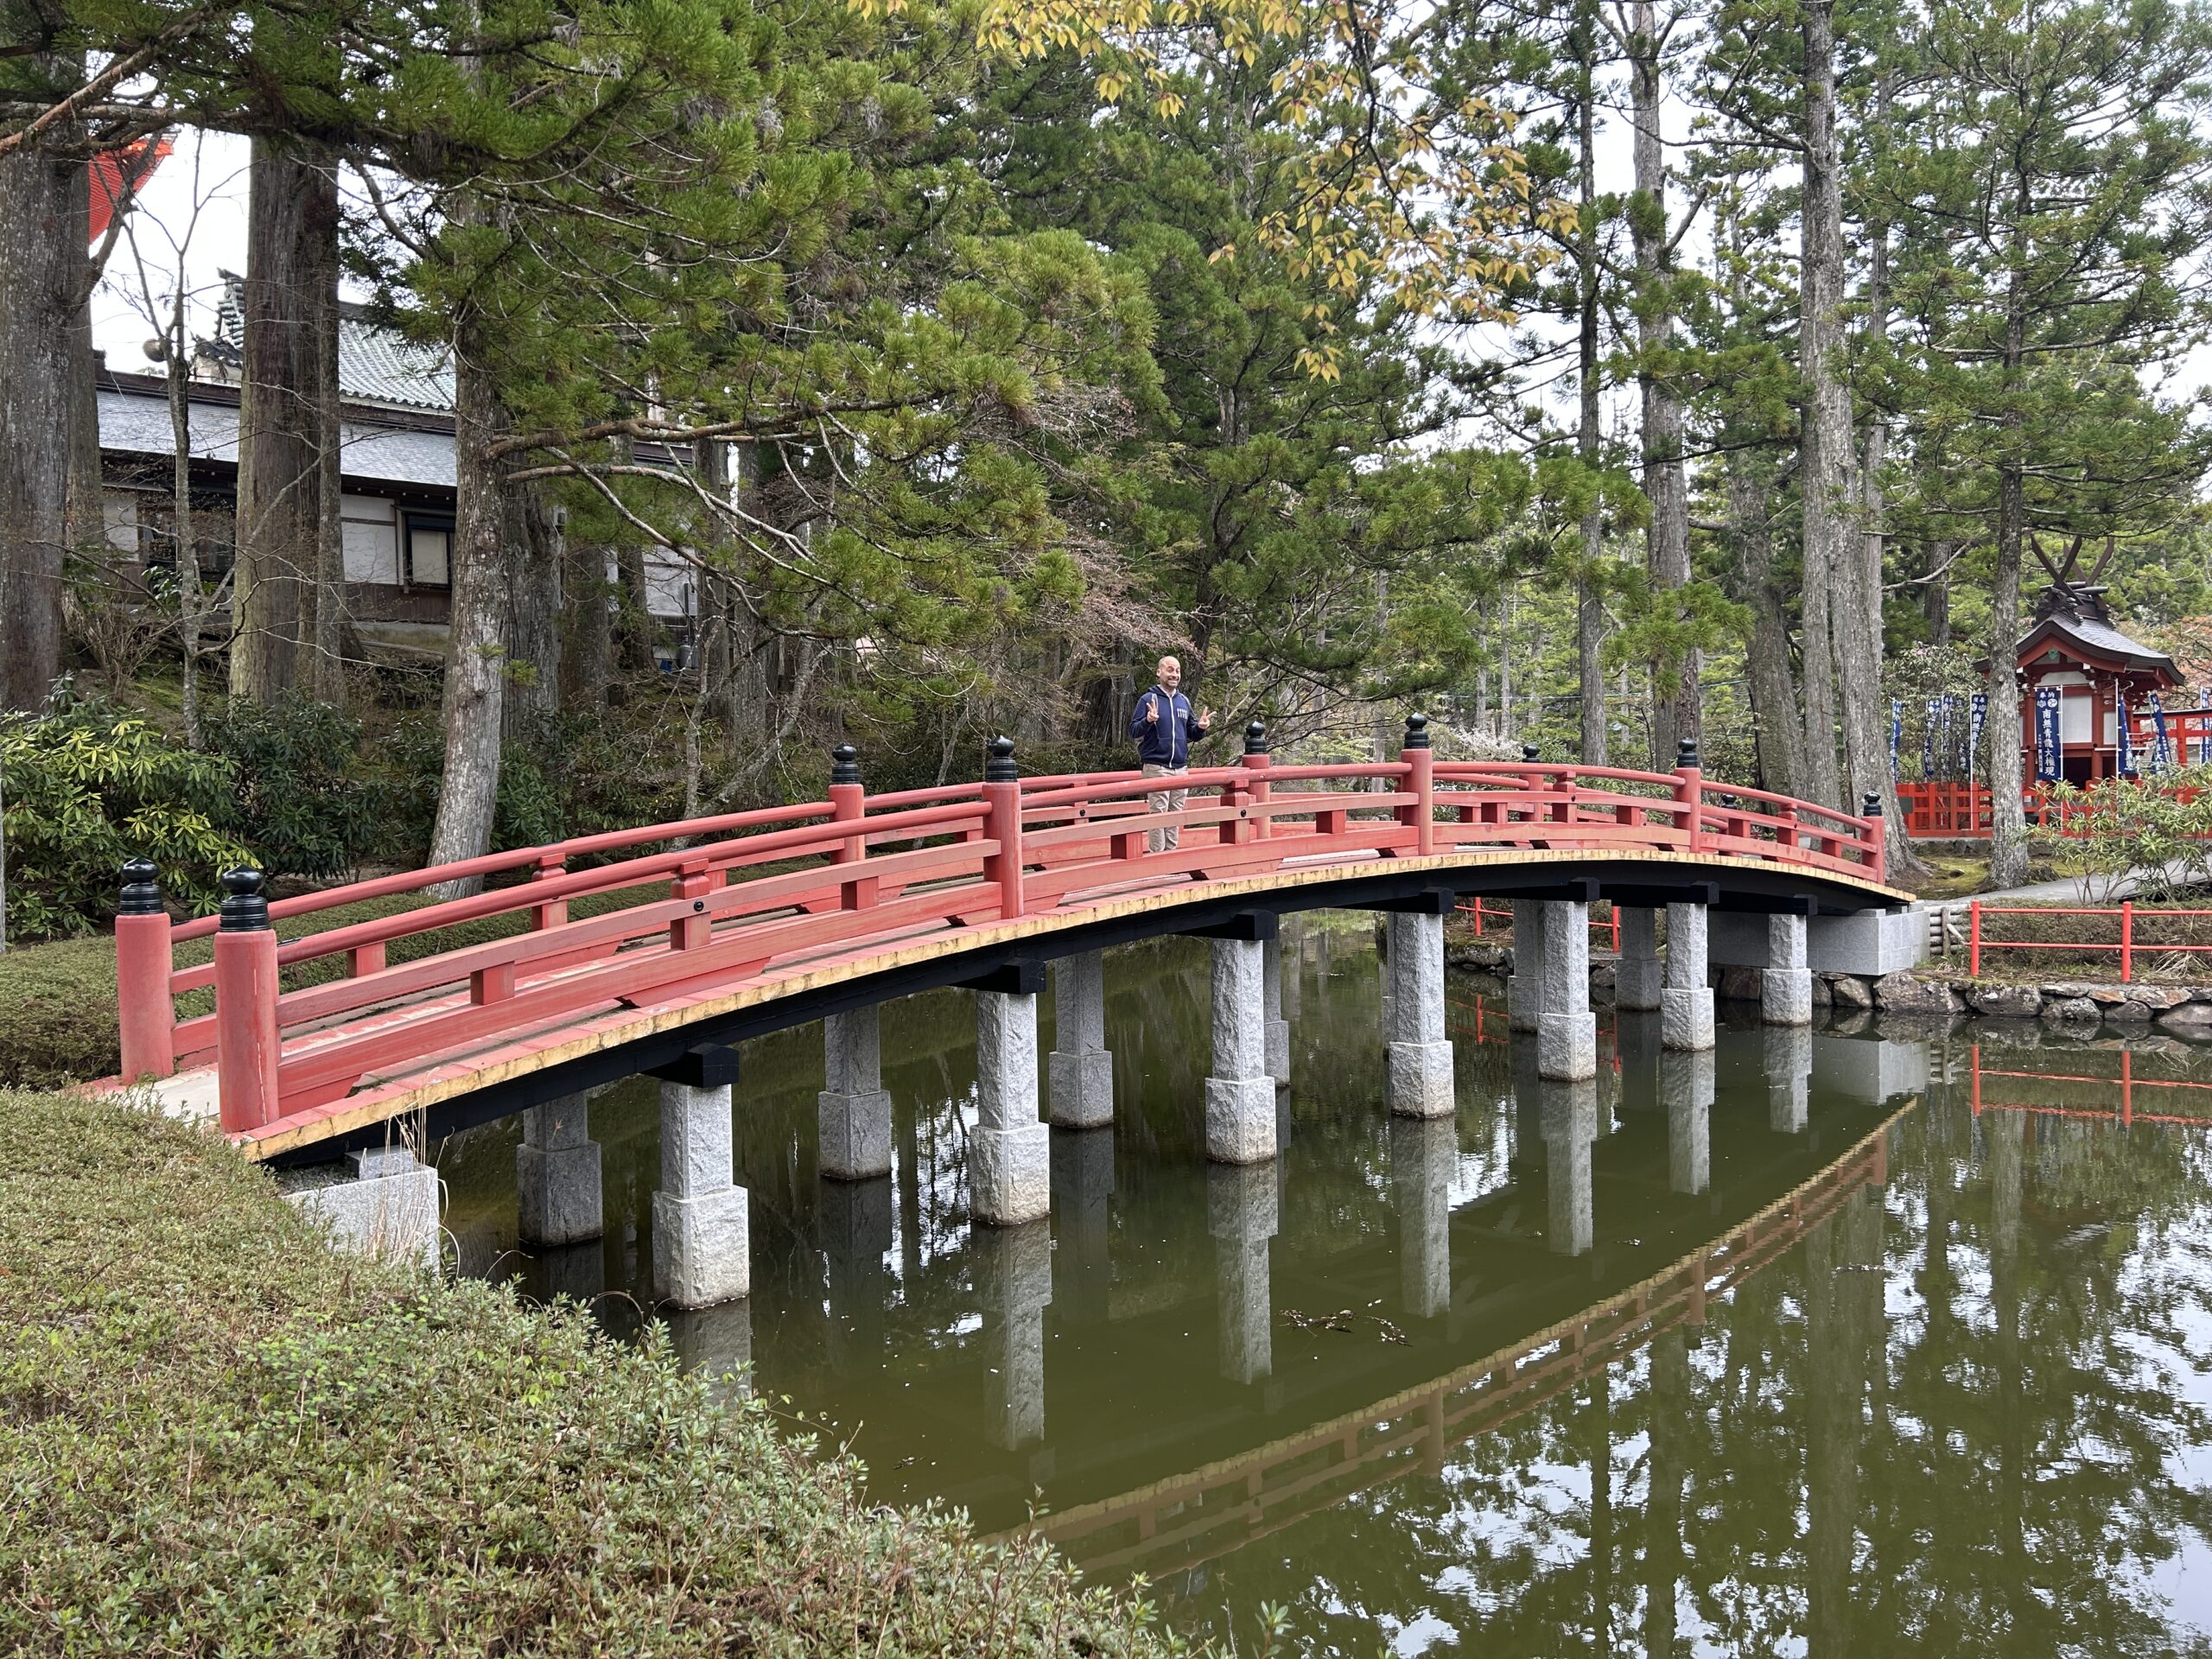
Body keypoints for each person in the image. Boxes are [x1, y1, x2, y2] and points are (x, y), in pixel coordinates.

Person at [1129, 655, 1214, 853]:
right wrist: (1148, 720)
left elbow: (1191, 733)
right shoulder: (1148, 699)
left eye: (1177, 671)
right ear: (1159, 672)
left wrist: (1200, 727)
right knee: (1158, 814)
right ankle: (1157, 858)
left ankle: (1171, 856)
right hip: (1156, 766)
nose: (1174, 674)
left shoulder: (1183, 701)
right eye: (1169, 670)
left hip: (1180, 768)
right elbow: (1133, 730)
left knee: (1176, 814)